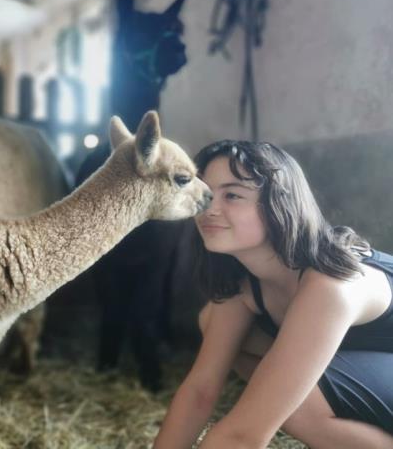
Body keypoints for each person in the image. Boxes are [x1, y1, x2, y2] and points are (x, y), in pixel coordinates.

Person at [153, 140, 393, 448]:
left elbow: (242, 436)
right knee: (214, 323)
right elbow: (201, 389)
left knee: (287, 403)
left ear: (279, 202)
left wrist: (252, 420)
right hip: (371, 367)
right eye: (207, 194)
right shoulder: (243, 282)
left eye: (233, 195)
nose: (209, 208)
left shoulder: (330, 285)